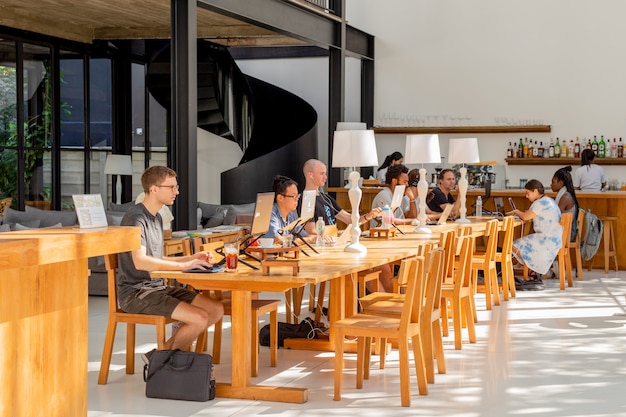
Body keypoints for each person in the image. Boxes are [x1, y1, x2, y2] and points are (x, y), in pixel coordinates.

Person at [117, 166, 224, 359]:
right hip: (136, 292)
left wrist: (192, 258)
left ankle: (158, 356)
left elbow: (156, 259)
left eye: (176, 186)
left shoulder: (157, 218)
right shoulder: (136, 218)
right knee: (199, 318)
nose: (177, 192)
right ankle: (164, 361)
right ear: (154, 189)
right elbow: (140, 261)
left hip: (157, 287)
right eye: (172, 187)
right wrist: (184, 267)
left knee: (215, 309)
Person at [302, 159, 392, 292]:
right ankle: (381, 306)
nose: (325, 177)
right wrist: (335, 234)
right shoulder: (305, 200)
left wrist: (368, 216)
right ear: (310, 175)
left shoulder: (326, 198)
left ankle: (390, 303)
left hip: (337, 244)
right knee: (367, 266)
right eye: (321, 173)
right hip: (326, 251)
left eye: (325, 173)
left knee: (383, 264)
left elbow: (350, 220)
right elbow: (312, 232)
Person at [507, 179, 562, 279]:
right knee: (520, 243)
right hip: (555, 238)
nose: (526, 196)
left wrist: (517, 211)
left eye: (528, 193)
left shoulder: (539, 203)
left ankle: (532, 269)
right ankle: (536, 269)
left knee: (511, 244)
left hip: (546, 239)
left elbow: (525, 217)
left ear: (535, 191)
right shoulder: (549, 200)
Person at [264, 175, 315, 245]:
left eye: (297, 195)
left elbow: (303, 234)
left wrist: (320, 237)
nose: (297, 199)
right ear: (280, 198)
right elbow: (278, 240)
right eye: (293, 196)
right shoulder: (270, 213)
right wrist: (310, 239)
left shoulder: (290, 215)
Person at [370, 164, 417, 228]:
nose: (407, 185)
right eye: (405, 182)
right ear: (394, 181)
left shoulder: (401, 196)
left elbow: (411, 217)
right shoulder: (384, 195)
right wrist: (414, 220)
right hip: (380, 234)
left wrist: (412, 199)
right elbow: (391, 220)